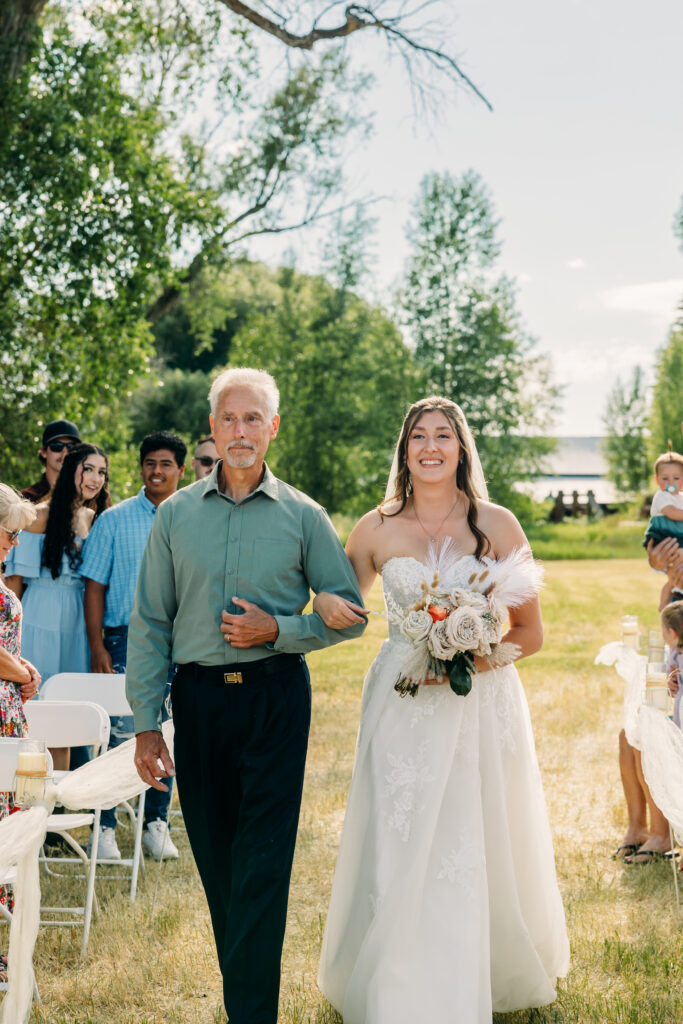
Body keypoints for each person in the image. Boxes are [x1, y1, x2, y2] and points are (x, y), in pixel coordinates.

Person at [314, 396, 569, 1024]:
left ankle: (474, 966)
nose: (431, 447)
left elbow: (530, 633)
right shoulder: (374, 528)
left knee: (471, 832)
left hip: (480, 704)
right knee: (400, 830)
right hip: (399, 704)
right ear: (404, 449)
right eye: (419, 436)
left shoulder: (499, 524)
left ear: (461, 448)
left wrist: (462, 657)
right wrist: (321, 599)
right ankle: (397, 976)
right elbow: (342, 607)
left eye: (444, 436)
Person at [126, 367, 367, 1024]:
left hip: (275, 701)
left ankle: (250, 1016)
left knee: (262, 864)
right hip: (199, 705)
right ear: (211, 428)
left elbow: (351, 611)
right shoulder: (175, 517)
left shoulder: (303, 516)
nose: (240, 431)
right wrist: (147, 725)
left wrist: (282, 629)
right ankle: (248, 1004)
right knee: (217, 861)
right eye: (229, 418)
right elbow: (149, 621)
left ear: (273, 428)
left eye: (252, 418)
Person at [80, 431, 187, 862]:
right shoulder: (114, 520)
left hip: (184, 642)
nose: (156, 471)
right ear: (140, 467)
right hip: (125, 639)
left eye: (165, 464)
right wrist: (97, 646)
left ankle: (155, 824)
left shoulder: (194, 518)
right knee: (119, 735)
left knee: (170, 733)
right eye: (149, 463)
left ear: (180, 470)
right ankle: (104, 826)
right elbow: (93, 587)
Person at [5, 444, 109, 775]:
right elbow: (15, 582)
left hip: (78, 621)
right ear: (70, 470)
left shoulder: (99, 519)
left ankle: (68, 795)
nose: (95, 478)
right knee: (40, 704)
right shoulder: (40, 516)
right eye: (88, 469)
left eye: (102, 472)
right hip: (40, 614)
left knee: (72, 706)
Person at [0, 485, 43, 928]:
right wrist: (21, 673)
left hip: (8, 712)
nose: (16, 543)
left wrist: (22, 667)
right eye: (10, 533)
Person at [21, 420, 81, 504]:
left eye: (71, 447)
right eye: (57, 446)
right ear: (43, 452)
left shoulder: (90, 495)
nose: (65, 453)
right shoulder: (26, 499)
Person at [644, 451, 683, 549]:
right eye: (665, 478)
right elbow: (672, 513)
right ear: (657, 480)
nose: (670, 482)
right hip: (663, 536)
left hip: (678, 535)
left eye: (676, 478)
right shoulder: (661, 496)